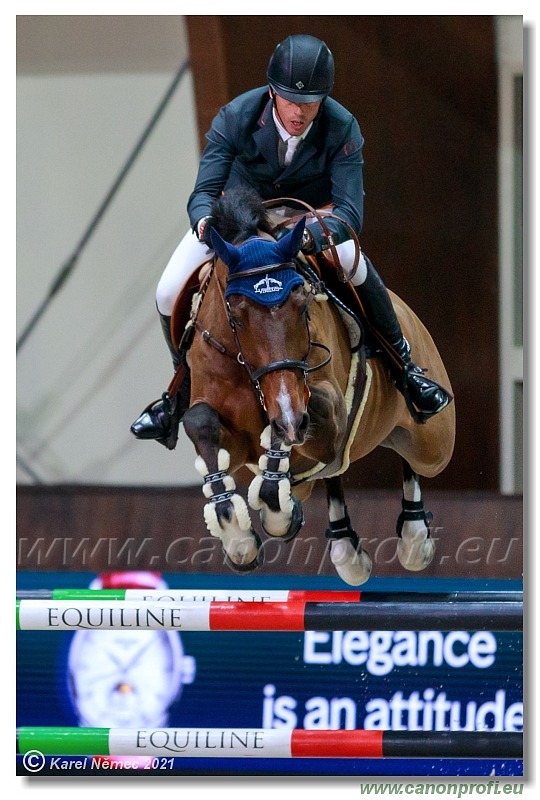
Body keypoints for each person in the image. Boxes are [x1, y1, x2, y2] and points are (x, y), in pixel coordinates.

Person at [131, 34, 451, 447]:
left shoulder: (342, 127)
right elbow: (203, 193)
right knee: (167, 288)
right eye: (289, 100)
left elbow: (350, 213)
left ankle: (405, 370)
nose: (299, 111)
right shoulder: (236, 117)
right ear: (272, 93)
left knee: (354, 263)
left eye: (310, 101)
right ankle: (178, 393)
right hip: (242, 221)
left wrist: (307, 238)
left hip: (308, 220)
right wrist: (208, 224)